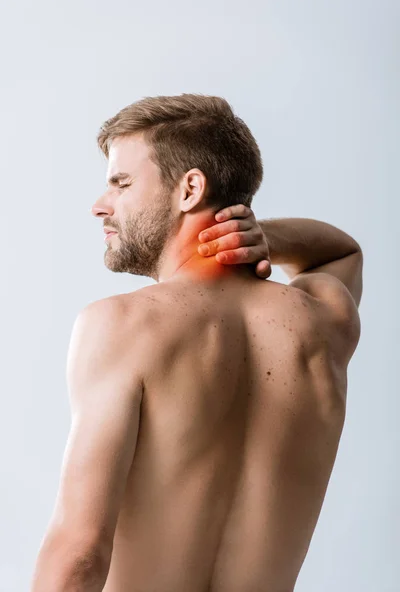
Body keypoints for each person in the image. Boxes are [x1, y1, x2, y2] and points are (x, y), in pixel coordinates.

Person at [31, 94, 362, 592]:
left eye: (120, 183)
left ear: (189, 189)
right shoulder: (322, 322)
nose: (101, 205)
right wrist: (262, 234)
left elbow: (79, 553)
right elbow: (342, 250)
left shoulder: (121, 325)